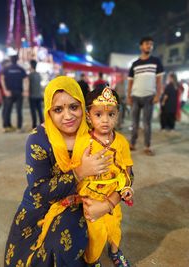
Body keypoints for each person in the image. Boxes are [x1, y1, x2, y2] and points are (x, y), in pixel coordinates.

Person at [4, 76, 122, 267]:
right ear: (49, 112)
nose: (68, 116)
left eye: (73, 107)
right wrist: (79, 173)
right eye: (58, 109)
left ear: (83, 106)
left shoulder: (98, 132)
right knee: (48, 249)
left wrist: (108, 205)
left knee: (74, 236)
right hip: (43, 207)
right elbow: (39, 192)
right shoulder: (38, 140)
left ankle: (106, 249)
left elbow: (125, 176)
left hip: (88, 201)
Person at [76, 87, 134, 267]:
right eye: (99, 114)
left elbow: (128, 170)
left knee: (115, 227)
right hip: (91, 197)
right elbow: (76, 171)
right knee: (96, 233)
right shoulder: (83, 141)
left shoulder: (122, 142)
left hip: (112, 195)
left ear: (117, 115)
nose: (105, 120)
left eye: (111, 114)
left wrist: (126, 188)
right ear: (88, 116)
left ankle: (115, 251)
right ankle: (92, 260)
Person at [127, 36, 164, 156]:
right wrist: (128, 96)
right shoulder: (135, 64)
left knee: (147, 123)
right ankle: (132, 144)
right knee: (134, 123)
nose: (149, 46)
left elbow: (159, 81)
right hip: (135, 96)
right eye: (147, 44)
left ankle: (147, 146)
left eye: (151, 44)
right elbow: (130, 82)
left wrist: (158, 95)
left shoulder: (156, 61)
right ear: (141, 46)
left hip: (149, 96)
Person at [1, 54, 28, 132]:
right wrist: (25, 90)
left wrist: (5, 90)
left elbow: (2, 79)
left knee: (7, 110)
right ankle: (19, 127)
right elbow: (26, 80)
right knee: (19, 110)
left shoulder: (6, 69)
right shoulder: (21, 69)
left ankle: (6, 127)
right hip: (19, 92)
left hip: (9, 92)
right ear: (17, 60)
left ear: (11, 60)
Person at [0, 59, 12, 132]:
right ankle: (5, 125)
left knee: (8, 109)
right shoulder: (2, 73)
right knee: (6, 109)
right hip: (4, 94)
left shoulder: (4, 72)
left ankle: (8, 124)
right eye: (8, 64)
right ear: (4, 65)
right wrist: (1, 95)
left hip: (6, 93)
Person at [28, 59, 44, 129]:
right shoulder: (38, 75)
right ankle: (42, 124)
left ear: (31, 66)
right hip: (39, 95)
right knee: (40, 110)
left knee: (33, 111)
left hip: (32, 96)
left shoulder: (30, 75)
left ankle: (34, 125)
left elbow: (28, 85)